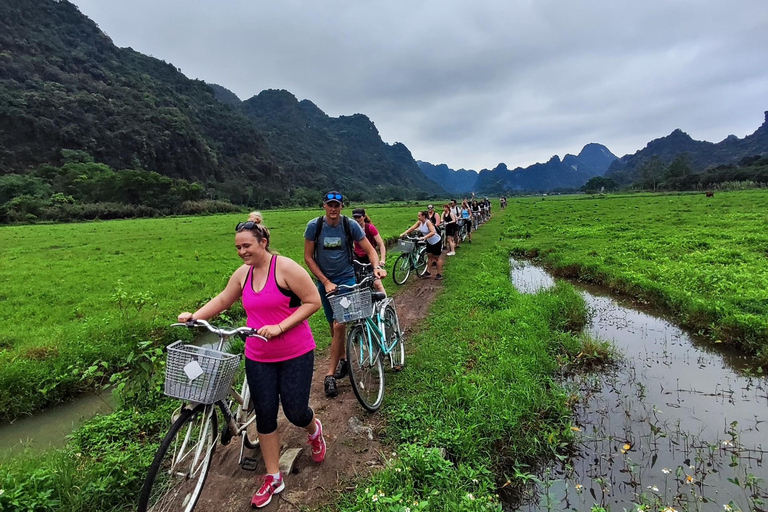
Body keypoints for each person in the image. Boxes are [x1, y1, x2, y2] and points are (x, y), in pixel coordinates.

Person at [177, 219, 325, 508]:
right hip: (258, 356)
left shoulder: (285, 268)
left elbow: (313, 301)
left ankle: (314, 430)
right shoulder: (242, 274)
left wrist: (280, 327)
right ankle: (273, 477)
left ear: (263, 243)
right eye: (237, 247)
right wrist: (196, 315)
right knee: (266, 416)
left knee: (295, 411)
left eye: (246, 245)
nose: (242, 251)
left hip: (295, 353)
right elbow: (224, 299)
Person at [304, 191, 386, 398]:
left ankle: (330, 375)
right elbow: (308, 257)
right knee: (333, 325)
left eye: (337, 205)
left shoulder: (350, 225)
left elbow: (370, 250)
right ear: (324, 206)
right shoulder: (315, 226)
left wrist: (376, 266)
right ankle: (343, 360)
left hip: (346, 279)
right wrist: (325, 281)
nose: (333, 209)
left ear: (342, 207)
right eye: (330, 205)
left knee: (340, 323)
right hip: (325, 282)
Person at [351, 207, 387, 295]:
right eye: (355, 217)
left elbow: (381, 244)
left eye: (359, 217)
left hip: (370, 257)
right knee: (356, 284)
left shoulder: (370, 228)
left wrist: (382, 259)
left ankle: (386, 304)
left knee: (377, 283)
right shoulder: (352, 229)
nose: (357, 219)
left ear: (363, 217)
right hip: (357, 257)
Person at [400, 210, 443, 280]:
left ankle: (439, 274)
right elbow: (412, 228)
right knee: (429, 256)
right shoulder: (419, 222)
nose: (418, 217)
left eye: (419, 216)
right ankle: (428, 272)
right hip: (429, 241)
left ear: (424, 216)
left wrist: (424, 237)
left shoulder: (428, 222)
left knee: (436, 258)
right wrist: (404, 233)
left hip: (436, 241)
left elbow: (433, 232)